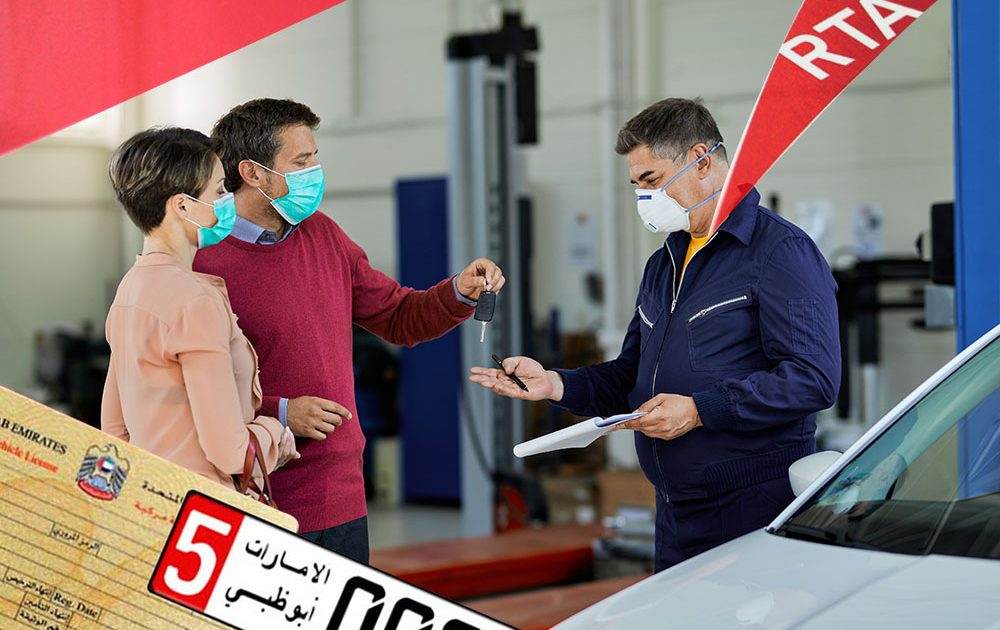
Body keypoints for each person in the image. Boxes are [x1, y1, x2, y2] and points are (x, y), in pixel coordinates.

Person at [470, 98, 840, 572]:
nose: (644, 199)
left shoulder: (780, 252)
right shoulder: (663, 264)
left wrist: (699, 410)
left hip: (751, 508)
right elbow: (630, 375)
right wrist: (555, 384)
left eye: (652, 181)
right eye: (636, 186)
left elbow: (813, 378)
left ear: (702, 161)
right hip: (675, 509)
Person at [193, 98, 505, 563]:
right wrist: (278, 411)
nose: (315, 171)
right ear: (253, 173)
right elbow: (186, 389)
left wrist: (458, 290)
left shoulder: (325, 236)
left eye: (315, 157)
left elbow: (400, 317)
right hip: (255, 497)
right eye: (301, 162)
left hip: (340, 496)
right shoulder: (202, 262)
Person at [101, 127, 298, 489]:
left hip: (152, 506)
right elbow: (231, 453)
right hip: (205, 511)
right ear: (182, 206)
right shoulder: (195, 301)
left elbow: (115, 428)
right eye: (220, 190)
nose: (228, 200)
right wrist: (275, 431)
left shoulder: (129, 290)